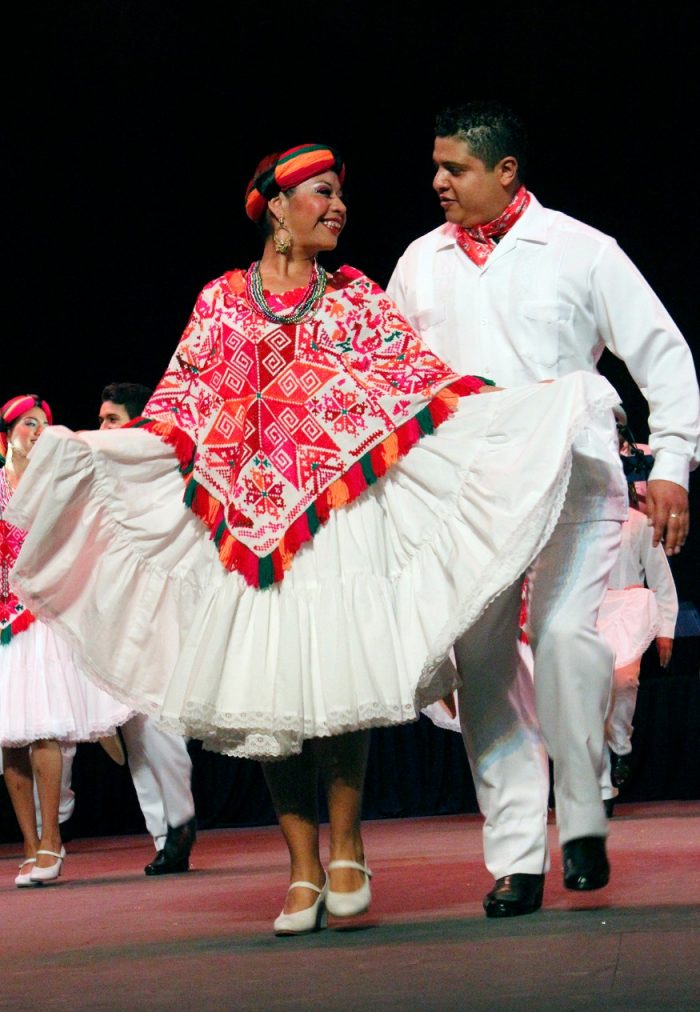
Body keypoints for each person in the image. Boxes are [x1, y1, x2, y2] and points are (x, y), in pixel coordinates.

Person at [8, 144, 618, 932]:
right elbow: (178, 408)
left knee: (337, 689)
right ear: (277, 209)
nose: (338, 207)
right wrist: (91, 448)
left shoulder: (356, 300)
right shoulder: (223, 302)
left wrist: (537, 406)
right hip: (244, 530)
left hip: (335, 523)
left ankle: (348, 848)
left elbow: (425, 388)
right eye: (323, 194)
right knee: (271, 698)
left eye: (340, 195)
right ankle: (300, 867)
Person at [387, 100, 700, 917]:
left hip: (576, 472)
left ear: (505, 172)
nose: (438, 182)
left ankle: (586, 812)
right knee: (484, 666)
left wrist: (671, 463)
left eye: (454, 168)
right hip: (473, 491)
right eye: (436, 166)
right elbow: (390, 388)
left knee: (565, 638)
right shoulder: (419, 263)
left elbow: (662, 352)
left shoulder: (581, 250)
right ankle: (518, 858)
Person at [0, 395, 132, 886]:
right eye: (29, 424)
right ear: (8, 432)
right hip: (3, 626)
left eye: (45, 425)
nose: (38, 431)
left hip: (43, 619)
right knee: (10, 739)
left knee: (43, 729)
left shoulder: (54, 485)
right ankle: (30, 847)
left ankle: (53, 840)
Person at [98, 383, 197, 876]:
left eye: (111, 420)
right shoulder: (105, 475)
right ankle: (163, 833)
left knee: (157, 717)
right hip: (121, 606)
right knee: (134, 725)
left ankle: (180, 821)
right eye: (101, 420)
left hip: (162, 604)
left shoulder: (161, 468)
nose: (103, 430)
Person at [599, 484, 679, 814]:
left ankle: (620, 744)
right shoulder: (573, 528)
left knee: (623, 682)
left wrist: (666, 631)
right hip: (590, 613)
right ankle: (602, 786)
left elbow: (661, 580)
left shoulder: (638, 523)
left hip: (628, 609)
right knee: (588, 698)